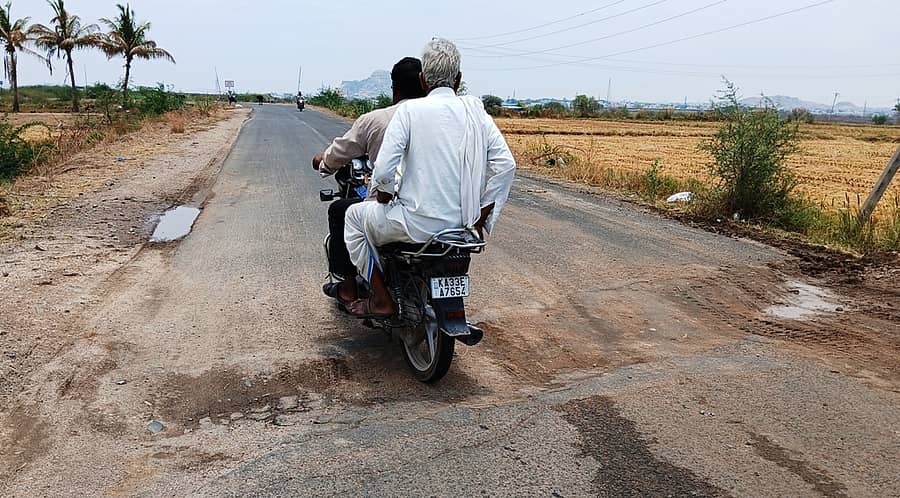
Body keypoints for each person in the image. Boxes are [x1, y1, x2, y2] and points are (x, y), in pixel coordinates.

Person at [344, 38, 517, 318]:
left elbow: (385, 171)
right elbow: (505, 165)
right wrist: (482, 216)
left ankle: (380, 300)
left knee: (353, 218)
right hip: (462, 229)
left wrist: (384, 196)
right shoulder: (476, 111)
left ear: (423, 80)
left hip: (415, 227)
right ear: (458, 80)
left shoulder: (410, 112)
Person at [312, 57, 427, 305]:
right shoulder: (442, 119)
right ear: (425, 83)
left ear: (394, 88)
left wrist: (323, 162)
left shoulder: (378, 119)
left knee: (342, 211)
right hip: (439, 208)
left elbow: (342, 152)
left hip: (398, 209)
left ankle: (351, 289)